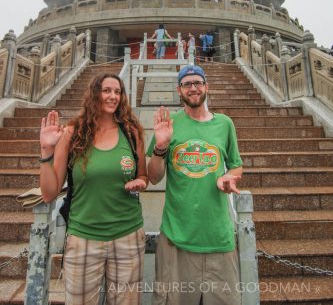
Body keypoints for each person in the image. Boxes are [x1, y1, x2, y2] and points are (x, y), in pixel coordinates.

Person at [39, 73, 148, 305]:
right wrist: (46, 151)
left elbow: (143, 174)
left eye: (117, 92)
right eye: (106, 90)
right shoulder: (73, 133)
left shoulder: (131, 132)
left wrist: (141, 181)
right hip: (83, 237)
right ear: (94, 93)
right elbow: (49, 193)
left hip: (127, 234)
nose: (112, 97)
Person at [147, 65, 243, 305]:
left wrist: (228, 176)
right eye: (187, 84)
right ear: (179, 90)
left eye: (198, 83)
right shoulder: (169, 125)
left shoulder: (224, 124)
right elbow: (154, 177)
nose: (193, 88)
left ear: (206, 87)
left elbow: (236, 165)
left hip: (218, 236)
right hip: (177, 237)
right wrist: (160, 147)